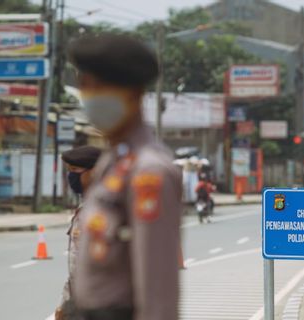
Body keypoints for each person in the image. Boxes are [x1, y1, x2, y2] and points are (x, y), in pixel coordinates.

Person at [68, 33, 183, 320]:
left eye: (99, 88)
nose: (90, 98)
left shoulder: (148, 172)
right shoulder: (113, 162)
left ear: (133, 93)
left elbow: (157, 289)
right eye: (85, 87)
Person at [55, 146, 102, 320]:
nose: (71, 177)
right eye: (69, 171)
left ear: (95, 172)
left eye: (75, 170)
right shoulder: (87, 208)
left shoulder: (102, 211)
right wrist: (65, 305)